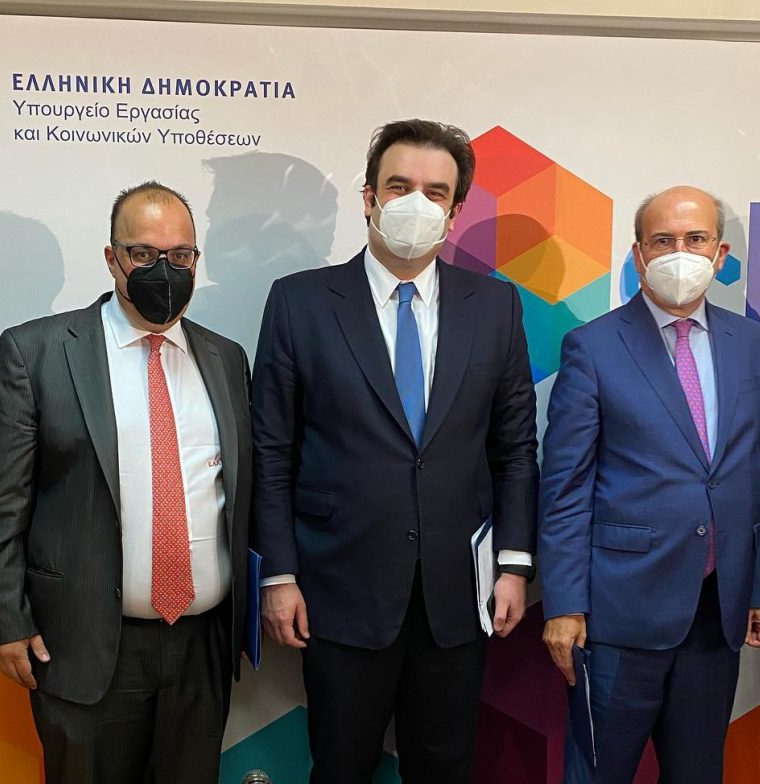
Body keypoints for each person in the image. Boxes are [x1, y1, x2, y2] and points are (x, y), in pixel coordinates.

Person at [252, 118, 539, 783]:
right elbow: (271, 449)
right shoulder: (300, 301)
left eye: (436, 192)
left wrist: (515, 564)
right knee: (341, 766)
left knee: (445, 768)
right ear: (369, 197)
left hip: (458, 596)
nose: (417, 203)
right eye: (399, 185)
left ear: (456, 210)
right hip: (337, 588)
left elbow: (515, 448)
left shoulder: (494, 306)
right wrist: (278, 575)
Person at [0, 181, 251, 784]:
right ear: (112, 258)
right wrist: (4, 618)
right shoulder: (37, 352)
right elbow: (0, 502)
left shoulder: (226, 358)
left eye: (180, 255)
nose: (164, 270)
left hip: (201, 645)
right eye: (144, 254)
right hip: (86, 643)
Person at [540, 186, 760, 783]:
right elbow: (565, 488)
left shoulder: (754, 345)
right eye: (663, 240)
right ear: (638, 254)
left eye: (696, 239)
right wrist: (565, 604)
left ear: (720, 253)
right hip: (618, 614)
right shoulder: (593, 346)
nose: (681, 252)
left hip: (717, 613)